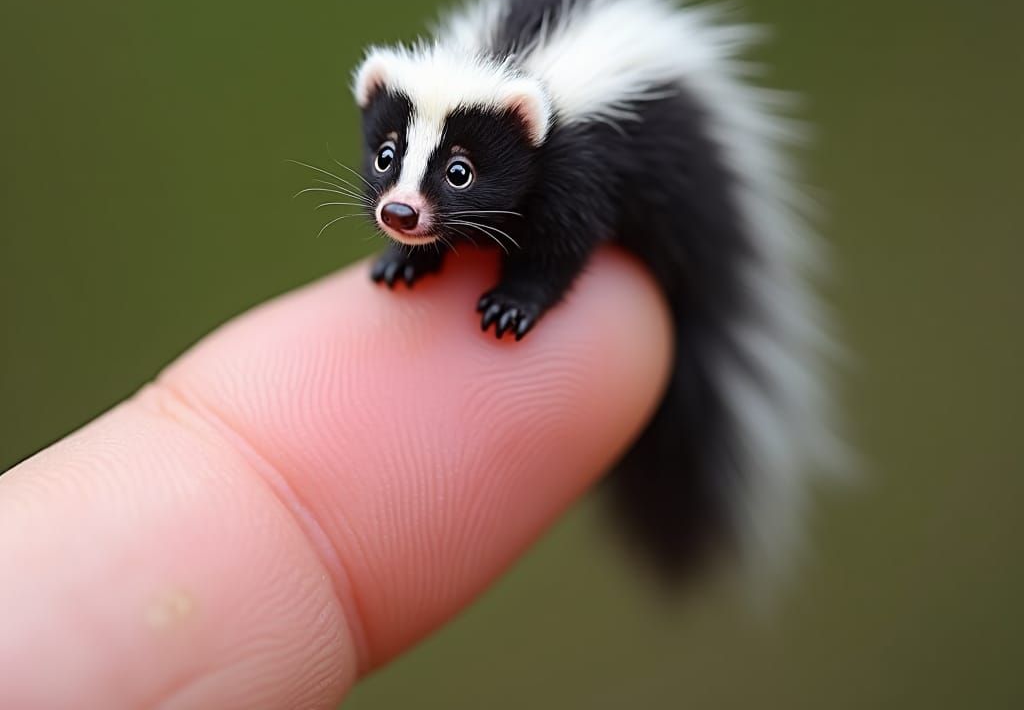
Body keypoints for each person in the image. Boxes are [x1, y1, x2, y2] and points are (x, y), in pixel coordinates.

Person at [0, 248, 670, 709]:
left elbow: (561, 232)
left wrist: (526, 293)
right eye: (386, 161)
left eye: (457, 176)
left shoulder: (561, 168)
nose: (401, 200)